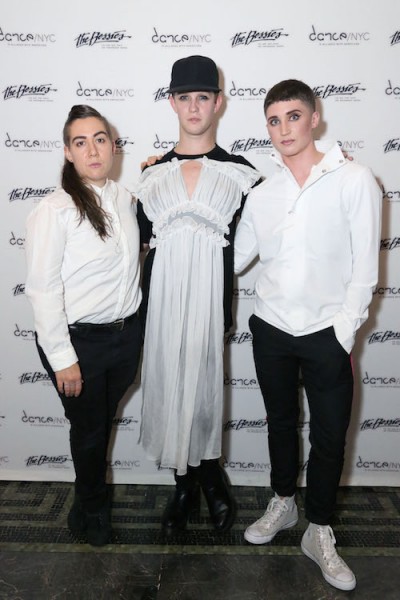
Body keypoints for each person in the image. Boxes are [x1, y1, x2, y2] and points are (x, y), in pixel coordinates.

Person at [234, 79, 381, 591]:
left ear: (314, 117)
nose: (283, 129)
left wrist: (343, 331)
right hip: (271, 328)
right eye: (273, 120)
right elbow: (232, 258)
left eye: (293, 116)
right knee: (279, 422)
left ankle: (318, 529)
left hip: (327, 334)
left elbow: (366, 266)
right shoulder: (262, 192)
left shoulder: (355, 179)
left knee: (328, 436)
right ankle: (282, 503)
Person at [136, 55, 261, 534]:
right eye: (184, 97)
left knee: (203, 392)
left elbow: (264, 235)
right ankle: (186, 485)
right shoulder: (152, 174)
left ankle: (210, 481)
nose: (193, 107)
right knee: (169, 390)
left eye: (202, 97)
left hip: (210, 308)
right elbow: (141, 245)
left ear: (218, 103)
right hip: (161, 308)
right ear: (172, 102)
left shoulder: (242, 174)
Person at [25, 105, 142, 547]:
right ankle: (91, 509)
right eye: (81, 142)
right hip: (79, 344)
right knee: (90, 432)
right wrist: (62, 359)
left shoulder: (125, 199)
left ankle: (85, 501)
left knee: (98, 426)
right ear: (68, 152)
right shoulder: (55, 210)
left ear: (113, 146)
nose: (93, 149)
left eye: (100, 138)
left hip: (124, 338)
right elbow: (42, 290)